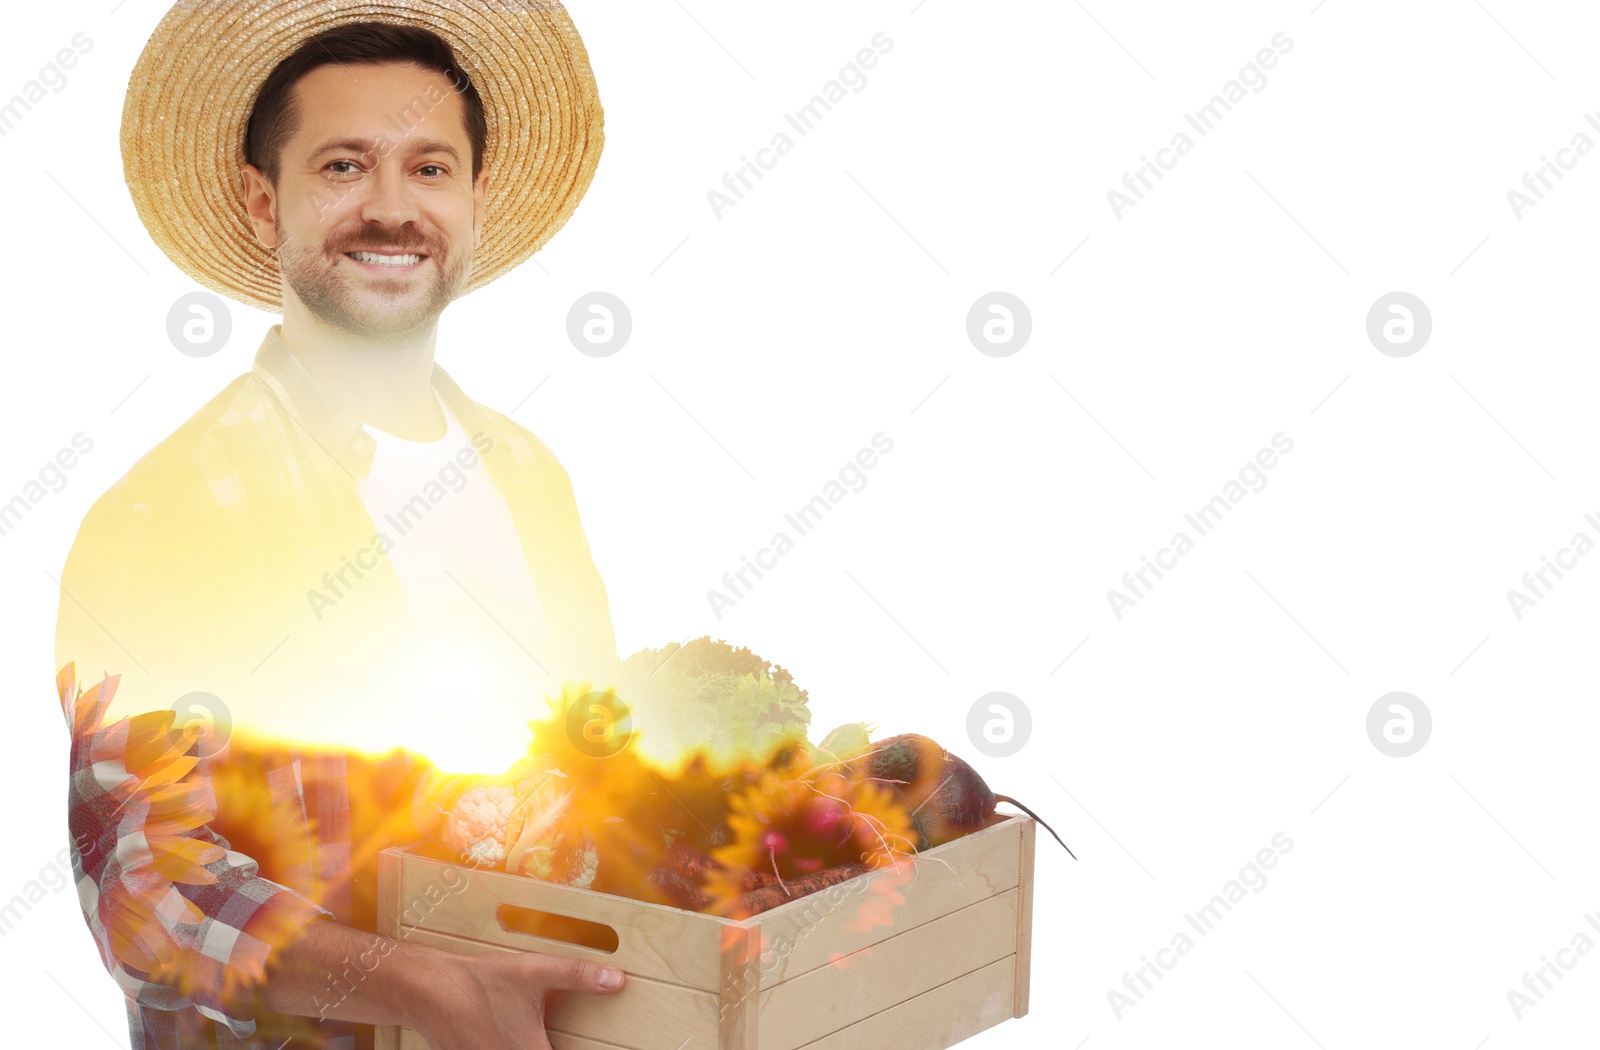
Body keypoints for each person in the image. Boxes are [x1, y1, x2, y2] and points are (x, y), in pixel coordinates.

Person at [53, 4, 628, 1047]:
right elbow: (145, 891)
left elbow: (594, 781)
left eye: (429, 168)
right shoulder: (167, 512)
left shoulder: (532, 479)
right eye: (343, 166)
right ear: (262, 205)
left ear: (476, 199)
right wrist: (424, 990)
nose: (391, 208)